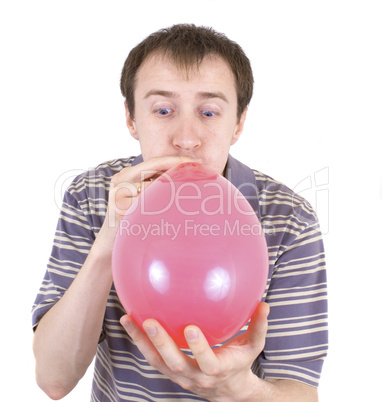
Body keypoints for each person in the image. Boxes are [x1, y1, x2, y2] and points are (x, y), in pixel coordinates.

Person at [32, 24, 328, 401]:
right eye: (163, 110)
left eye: (208, 112)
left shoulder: (289, 221)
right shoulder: (92, 197)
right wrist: (109, 240)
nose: (186, 139)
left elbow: (299, 393)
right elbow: (54, 379)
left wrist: (235, 388)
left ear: (238, 123)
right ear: (131, 118)